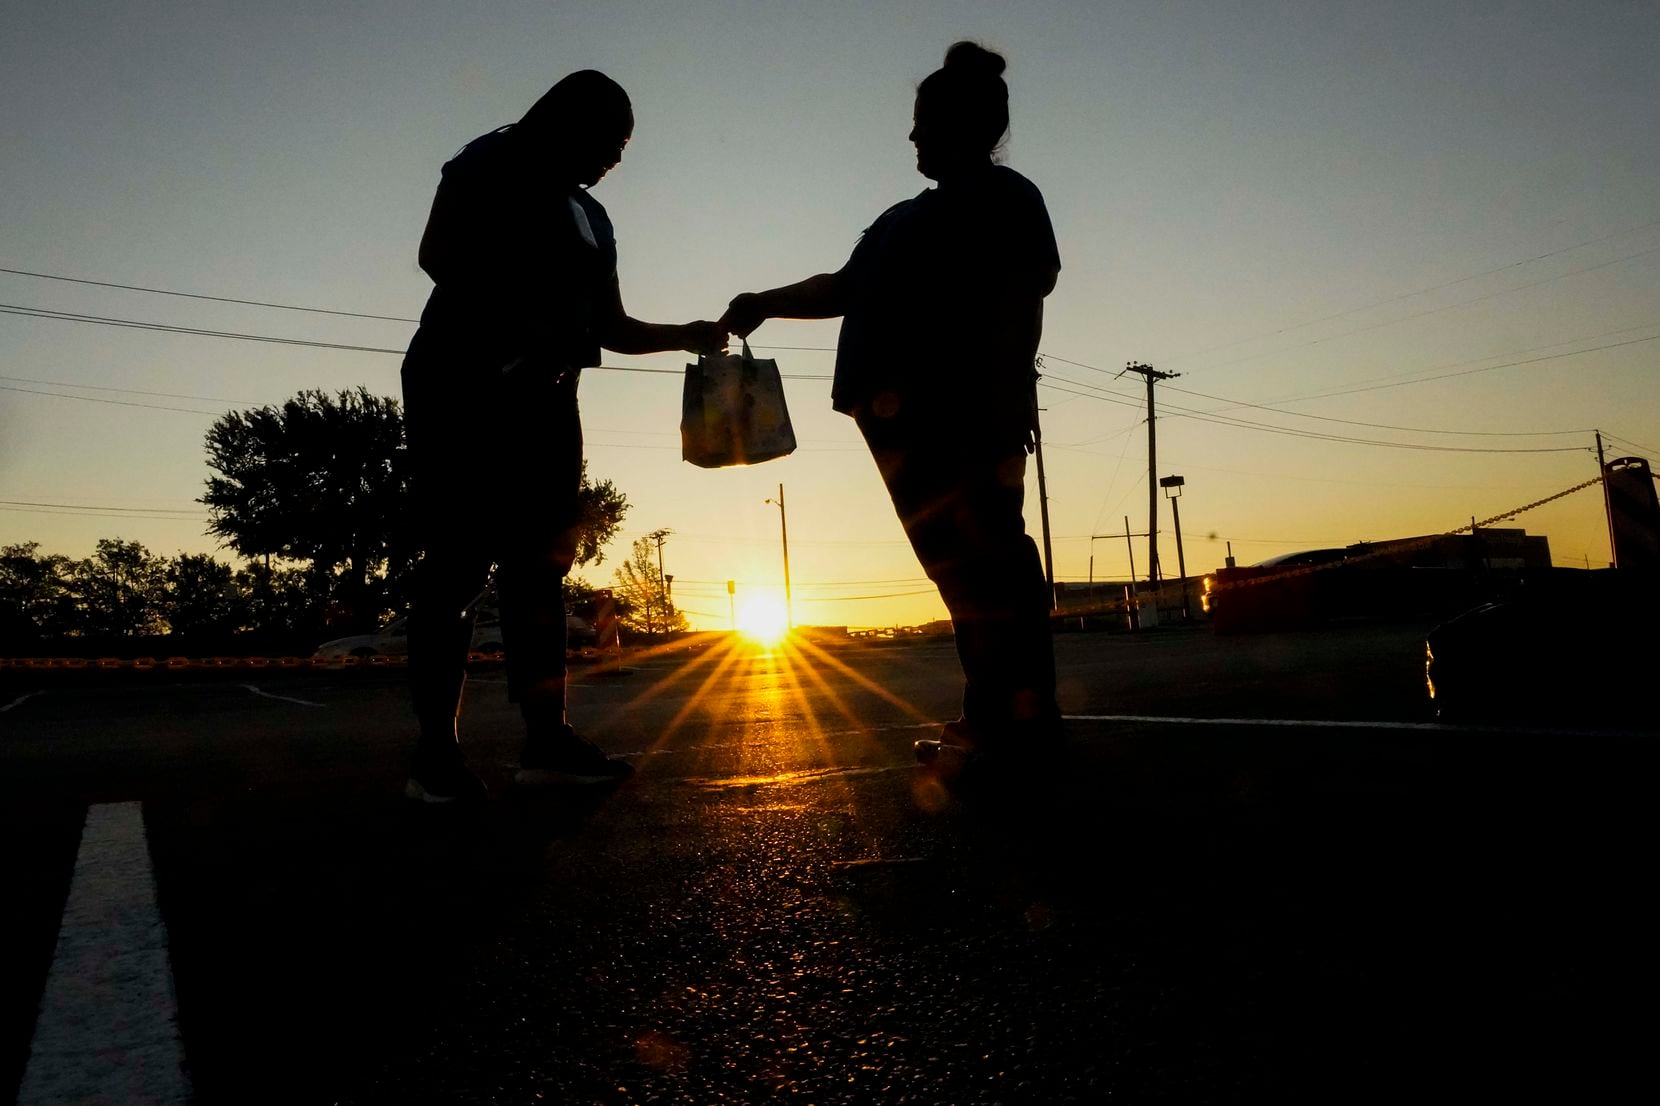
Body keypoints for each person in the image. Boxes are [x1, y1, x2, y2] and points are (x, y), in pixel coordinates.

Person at [721, 42, 1063, 770]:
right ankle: (995, 716)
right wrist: (764, 304)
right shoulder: (901, 218)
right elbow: (842, 287)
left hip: (964, 413)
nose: (912, 137)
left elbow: (1023, 296)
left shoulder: (1007, 198)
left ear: (963, 125)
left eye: (923, 123)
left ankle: (1019, 722)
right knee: (961, 570)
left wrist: (1007, 399)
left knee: (991, 564)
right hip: (901, 421)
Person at [402, 71, 726, 803]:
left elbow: (608, 326)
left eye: (623, 148)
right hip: (460, 384)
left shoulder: (593, 217)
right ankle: (433, 756)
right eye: (606, 142)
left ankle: (545, 742)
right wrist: (526, 321)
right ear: (560, 123)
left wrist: (688, 334)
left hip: (547, 400)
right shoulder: (489, 161)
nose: (614, 158)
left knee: (538, 571)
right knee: (454, 563)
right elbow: (439, 255)